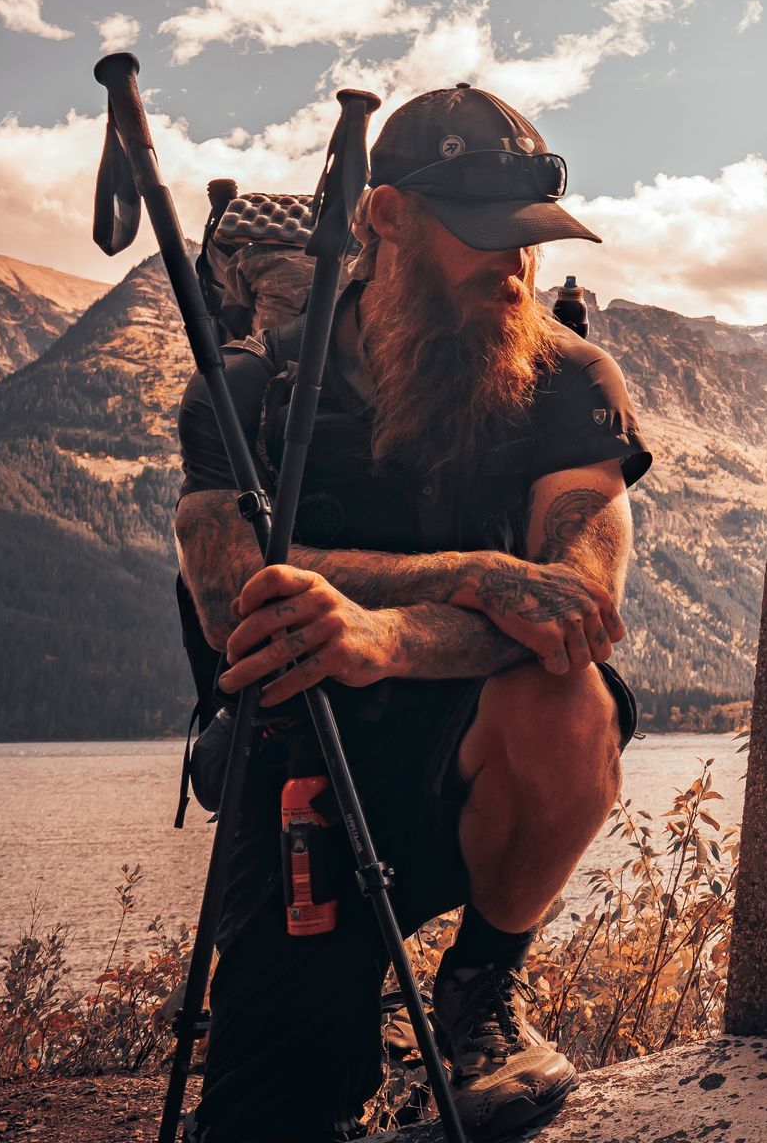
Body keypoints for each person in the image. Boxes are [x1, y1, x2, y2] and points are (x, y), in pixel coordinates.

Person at [172, 84, 650, 1142]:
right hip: (300, 768)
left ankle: (482, 988)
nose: (515, 268)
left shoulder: (572, 382)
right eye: (484, 237)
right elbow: (225, 592)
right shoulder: (248, 390)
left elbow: (577, 611)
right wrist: (478, 576)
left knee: (568, 697)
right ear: (386, 219)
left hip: (472, 756)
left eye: (529, 240)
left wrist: (381, 632)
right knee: (266, 1120)